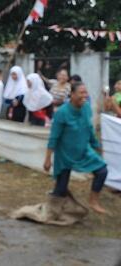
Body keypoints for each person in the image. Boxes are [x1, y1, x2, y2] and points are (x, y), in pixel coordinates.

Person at [44, 82, 109, 214]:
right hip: (65, 155)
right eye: (81, 93)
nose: (84, 96)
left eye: (86, 92)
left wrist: (96, 146)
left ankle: (93, 201)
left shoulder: (86, 108)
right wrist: (48, 159)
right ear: (72, 95)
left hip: (83, 151)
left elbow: (89, 129)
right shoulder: (62, 113)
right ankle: (53, 209)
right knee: (61, 190)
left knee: (102, 171)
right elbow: (54, 137)